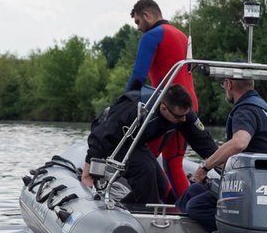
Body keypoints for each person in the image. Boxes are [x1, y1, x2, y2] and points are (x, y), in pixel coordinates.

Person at [179, 76, 267, 233]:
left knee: (195, 206)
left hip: (248, 190)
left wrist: (205, 167)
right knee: (193, 191)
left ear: (229, 84)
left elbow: (239, 143)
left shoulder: (244, 109)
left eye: (224, 84)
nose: (224, 88)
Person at [82, 83, 218, 206]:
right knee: (145, 171)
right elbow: (100, 136)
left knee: (162, 185)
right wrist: (87, 175)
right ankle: (148, 216)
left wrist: (224, 164)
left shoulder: (182, 113)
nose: (183, 120)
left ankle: (127, 206)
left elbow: (204, 142)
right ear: (164, 108)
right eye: (179, 117)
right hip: (115, 140)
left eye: (185, 115)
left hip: (136, 142)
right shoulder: (135, 108)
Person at [127, 0, 197, 198]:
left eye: (138, 22)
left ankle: (155, 201)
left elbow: (138, 75)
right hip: (190, 105)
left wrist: (124, 102)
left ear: (147, 15)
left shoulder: (152, 36)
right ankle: (185, 208)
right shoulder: (182, 36)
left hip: (167, 107)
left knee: (141, 154)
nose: (139, 28)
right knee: (174, 162)